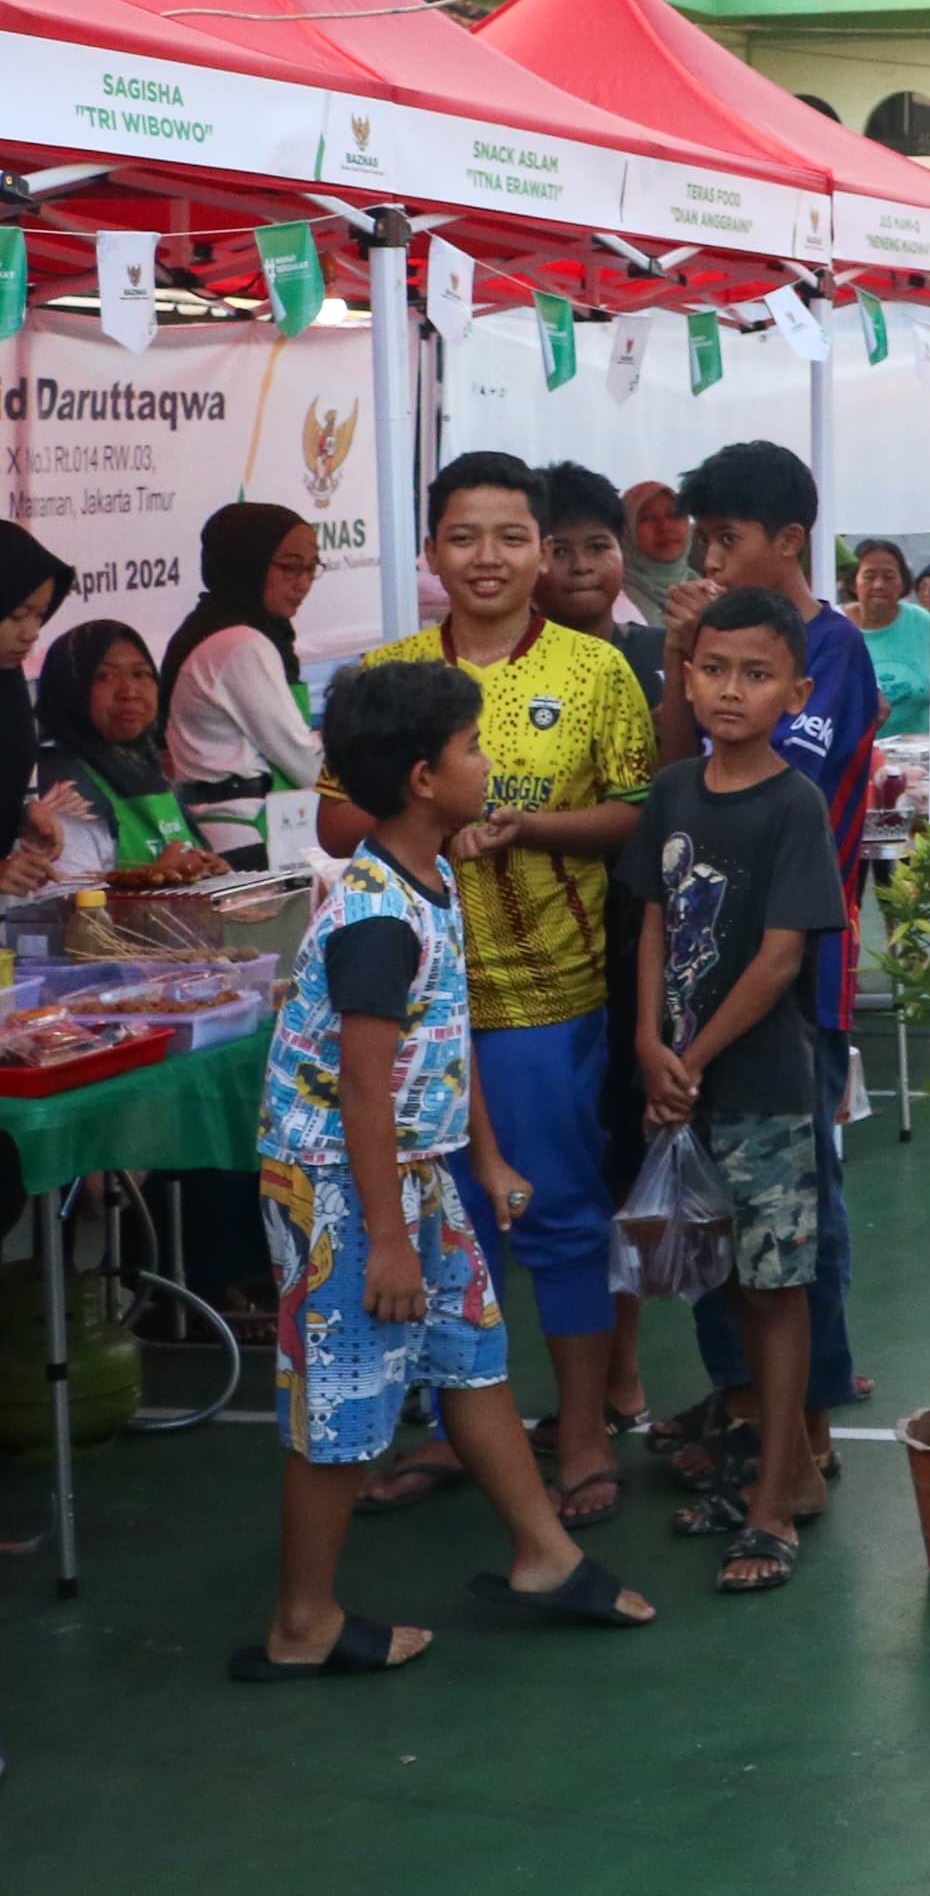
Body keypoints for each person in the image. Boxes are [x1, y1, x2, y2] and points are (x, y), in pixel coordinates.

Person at [234, 657, 652, 1681]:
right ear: (425, 776)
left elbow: (441, 1040)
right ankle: (303, 1621)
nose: (491, 760)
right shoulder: (377, 913)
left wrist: (491, 1157)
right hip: (344, 1187)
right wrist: (383, 1234)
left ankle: (544, 1555)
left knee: (472, 1355)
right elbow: (365, 1090)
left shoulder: (434, 875)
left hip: (412, 1173)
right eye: (474, 746)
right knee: (340, 1406)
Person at [318, 455, 655, 1526]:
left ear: (543, 551)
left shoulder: (598, 671)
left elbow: (638, 814)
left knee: (555, 1216)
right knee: (438, 1225)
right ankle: (460, 1433)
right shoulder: (390, 674)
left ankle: (585, 1432)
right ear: (431, 553)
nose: (489, 558)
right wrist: (419, 826)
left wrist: (527, 828)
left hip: (546, 1000)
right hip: (416, 1004)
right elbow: (333, 818)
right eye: (464, 536)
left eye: (513, 536)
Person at [655, 440, 884, 1444]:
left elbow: (768, 764)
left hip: (799, 974)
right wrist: (678, 665)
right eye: (703, 542)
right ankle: (742, 1390)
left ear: (789, 542)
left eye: (728, 541)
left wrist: (718, 664)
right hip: (699, 979)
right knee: (708, 1198)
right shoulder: (704, 653)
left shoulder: (829, 650)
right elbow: (676, 778)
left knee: (801, 1205)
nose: (708, 560)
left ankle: (809, 1411)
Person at [630, 591, 853, 1591]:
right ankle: (778, 1479)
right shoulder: (675, 789)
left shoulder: (791, 804)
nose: (730, 688)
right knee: (716, 1277)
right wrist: (647, 1040)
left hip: (760, 1089)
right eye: (714, 667)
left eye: (756, 674)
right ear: (686, 673)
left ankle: (773, 1502)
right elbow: (650, 921)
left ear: (795, 692)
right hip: (682, 1086)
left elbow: (774, 962)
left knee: (775, 1286)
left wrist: (691, 1054)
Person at [538, 460, 667, 1429]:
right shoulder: (488, 672)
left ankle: (621, 1371)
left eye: (597, 544)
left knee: (618, 1165)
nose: (580, 564)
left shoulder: (659, 653)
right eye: (558, 546)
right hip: (519, 956)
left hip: (630, 942)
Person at [163, 503, 324, 869]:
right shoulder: (240, 644)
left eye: (311, 569)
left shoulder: (210, 628)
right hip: (242, 834)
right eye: (289, 567)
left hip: (231, 825)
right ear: (247, 563)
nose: (301, 583)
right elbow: (300, 758)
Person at [35, 622, 231, 885]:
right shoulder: (62, 783)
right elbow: (67, 908)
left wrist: (206, 870)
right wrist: (156, 878)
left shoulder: (143, 766)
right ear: (70, 688)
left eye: (140, 674)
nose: (129, 692)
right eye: (104, 677)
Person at [538, 463, 667, 702]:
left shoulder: (666, 653)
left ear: (623, 550)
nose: (581, 566)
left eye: (597, 547)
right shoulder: (506, 666)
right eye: (559, 552)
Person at [0, 520, 72, 895]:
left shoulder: (8, 683)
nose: (31, 633)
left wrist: (21, 816)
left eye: (39, 616)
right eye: (15, 615)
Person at [846, 538, 930, 736]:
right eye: (869, 576)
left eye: (889, 576)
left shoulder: (924, 624)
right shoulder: (836, 626)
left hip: (916, 755)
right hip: (852, 756)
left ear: (903, 582)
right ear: (853, 583)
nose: (879, 585)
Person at [619, 479, 696, 626]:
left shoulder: (708, 593)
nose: (664, 527)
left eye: (674, 514)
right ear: (626, 530)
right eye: (647, 518)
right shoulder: (614, 601)